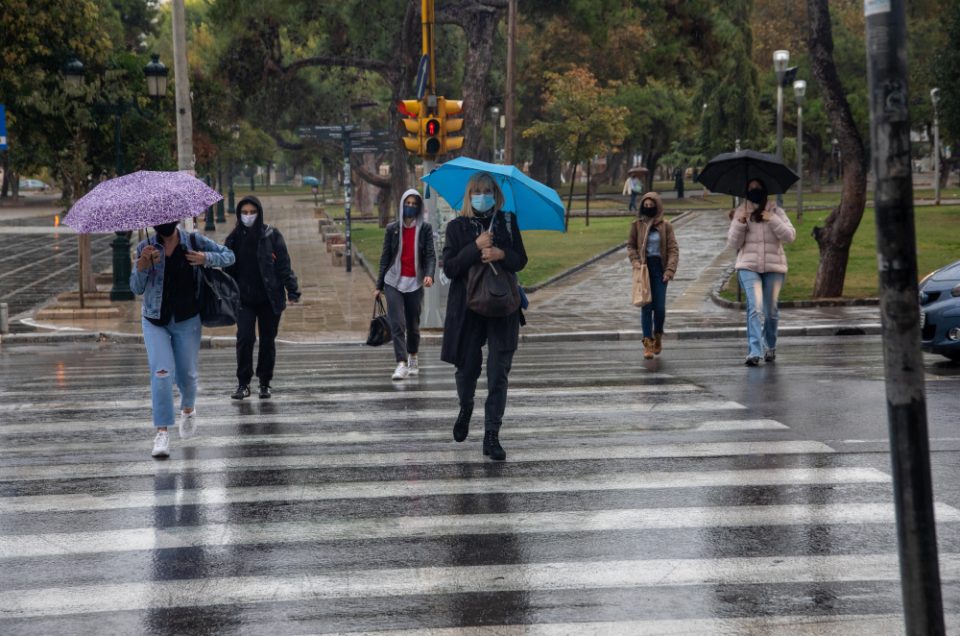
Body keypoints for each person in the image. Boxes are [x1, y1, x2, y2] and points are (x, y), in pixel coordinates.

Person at [130, 221, 235, 458]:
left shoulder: (194, 241)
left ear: (176, 219)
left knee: (187, 374)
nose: (163, 225)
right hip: (154, 320)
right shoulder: (144, 247)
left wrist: (205, 258)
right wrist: (142, 265)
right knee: (162, 372)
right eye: (158, 222)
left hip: (187, 319)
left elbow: (230, 256)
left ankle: (188, 408)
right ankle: (162, 432)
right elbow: (136, 288)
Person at [441, 172, 527, 461]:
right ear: (469, 195)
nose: (482, 195)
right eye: (477, 191)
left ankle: (492, 435)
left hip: (502, 307)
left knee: (497, 372)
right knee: (467, 370)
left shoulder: (506, 221)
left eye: (488, 190)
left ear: (496, 194)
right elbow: (450, 268)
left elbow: (521, 261)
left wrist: (501, 253)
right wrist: (475, 247)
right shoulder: (456, 227)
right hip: (467, 309)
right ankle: (466, 406)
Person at [224, 195, 301, 399]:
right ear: (239, 215)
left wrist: (292, 290)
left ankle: (265, 382)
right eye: (244, 213)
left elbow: (284, 265)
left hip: (269, 298)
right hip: (244, 300)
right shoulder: (233, 239)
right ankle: (243, 383)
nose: (248, 216)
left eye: (252, 212)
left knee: (267, 341)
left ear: (259, 213)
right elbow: (227, 271)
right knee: (245, 338)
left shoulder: (272, 236)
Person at [727, 178, 797, 366]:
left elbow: (790, 236)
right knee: (755, 308)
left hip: (774, 268)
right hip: (748, 267)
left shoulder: (776, 212)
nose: (754, 191)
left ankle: (770, 346)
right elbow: (733, 244)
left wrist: (772, 219)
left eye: (757, 188)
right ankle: (754, 352)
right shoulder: (741, 212)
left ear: (765, 190)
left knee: (771, 311)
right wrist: (740, 224)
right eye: (750, 188)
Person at [375, 188, 436, 380]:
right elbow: (385, 257)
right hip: (393, 281)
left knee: (413, 325)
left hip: (415, 282)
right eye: (407, 203)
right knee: (398, 323)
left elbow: (430, 255)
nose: (410, 207)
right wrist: (378, 286)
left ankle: (412, 357)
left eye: (414, 204)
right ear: (401, 205)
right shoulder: (392, 229)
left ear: (419, 207)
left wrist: (429, 275)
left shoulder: (424, 229)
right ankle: (400, 363)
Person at [627, 192, 679, 360]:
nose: (648, 208)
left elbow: (673, 249)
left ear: (658, 206)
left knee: (660, 308)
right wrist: (635, 261)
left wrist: (669, 270)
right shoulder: (637, 225)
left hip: (659, 268)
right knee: (646, 306)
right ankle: (647, 344)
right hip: (644, 268)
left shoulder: (666, 226)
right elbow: (631, 246)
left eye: (652, 205)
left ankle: (658, 335)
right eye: (646, 205)